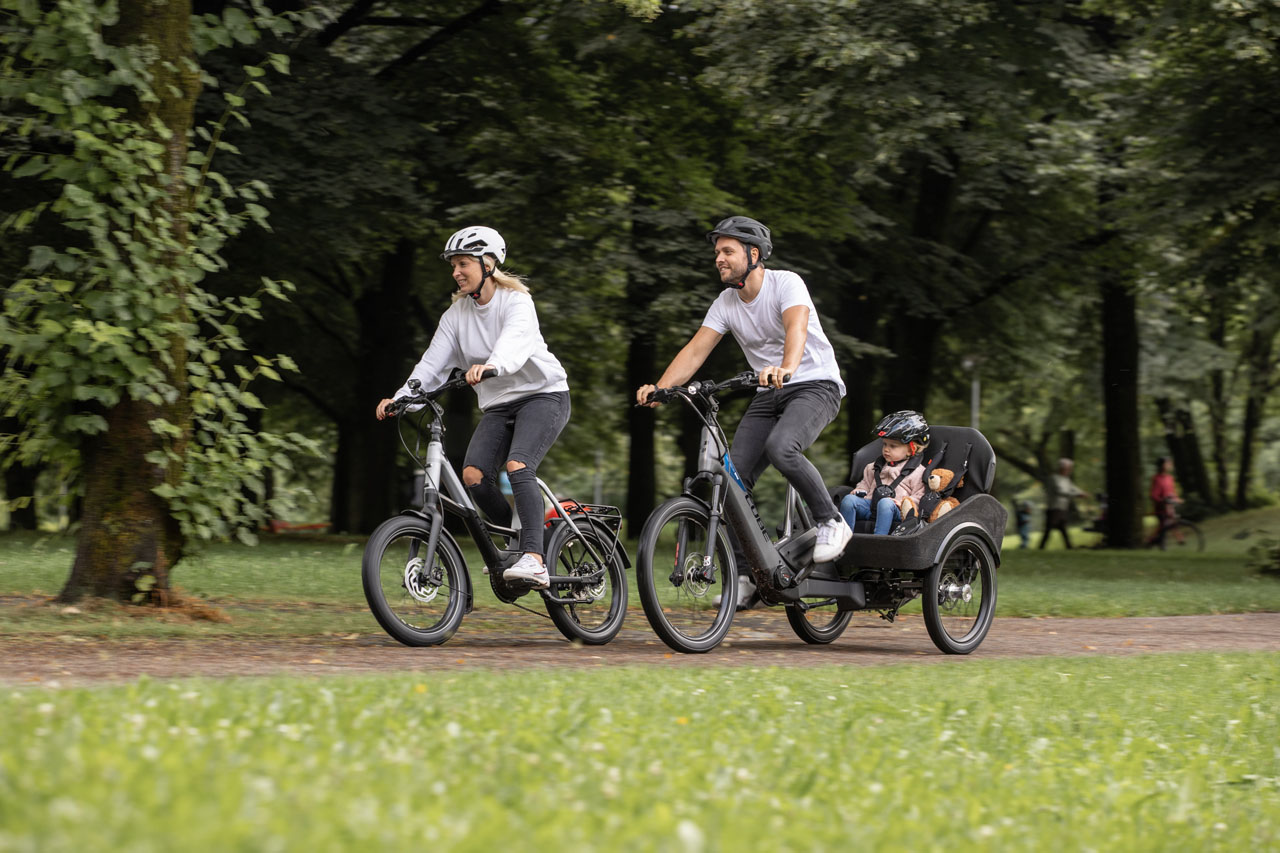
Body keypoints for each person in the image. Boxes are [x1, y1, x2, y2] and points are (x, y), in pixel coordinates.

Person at [636, 215, 848, 606]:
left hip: (814, 384)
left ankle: (831, 521)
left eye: (727, 251)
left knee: (782, 447)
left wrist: (786, 367)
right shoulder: (726, 302)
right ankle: (747, 577)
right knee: (731, 480)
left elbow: (797, 329)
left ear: (753, 254)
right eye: (717, 252)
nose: (718, 258)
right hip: (769, 391)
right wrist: (661, 389)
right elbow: (696, 350)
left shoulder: (786, 283)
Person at [376, 226, 570, 589]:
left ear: (488, 264)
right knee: (473, 477)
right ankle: (517, 544)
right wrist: (402, 398)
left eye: (463, 263)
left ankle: (535, 558)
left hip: (543, 395)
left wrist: (493, 365)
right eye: (453, 265)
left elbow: (515, 343)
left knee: (518, 464)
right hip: (499, 406)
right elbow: (431, 366)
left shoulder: (516, 303)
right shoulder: (456, 316)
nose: (456, 272)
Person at [838, 411, 929, 536]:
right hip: (871, 507)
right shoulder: (873, 467)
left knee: (885, 503)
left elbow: (919, 496)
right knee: (849, 500)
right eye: (885, 444)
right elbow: (865, 485)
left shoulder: (918, 472)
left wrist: (904, 504)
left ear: (911, 448)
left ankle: (879, 540)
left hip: (896, 511)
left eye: (893, 446)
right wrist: (859, 491)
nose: (886, 449)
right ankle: (844, 538)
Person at [1038, 457, 1087, 549]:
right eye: (1068, 468)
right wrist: (1076, 495)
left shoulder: (1066, 479)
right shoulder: (1054, 478)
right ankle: (1042, 547)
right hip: (1054, 508)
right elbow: (1060, 491)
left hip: (1063, 508)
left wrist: (1082, 493)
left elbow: (1073, 488)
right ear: (1062, 468)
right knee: (1049, 528)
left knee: (1063, 528)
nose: (1069, 470)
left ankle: (1068, 546)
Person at [1146, 456, 1185, 547]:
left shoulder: (1170, 478)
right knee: (1164, 526)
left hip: (1170, 507)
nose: (1170, 465)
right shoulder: (1156, 478)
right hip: (1161, 508)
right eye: (1167, 463)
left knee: (1171, 523)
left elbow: (1172, 493)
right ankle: (1152, 541)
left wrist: (1177, 500)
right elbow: (1153, 495)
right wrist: (1161, 501)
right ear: (1161, 465)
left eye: (1170, 463)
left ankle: (1177, 540)